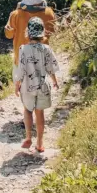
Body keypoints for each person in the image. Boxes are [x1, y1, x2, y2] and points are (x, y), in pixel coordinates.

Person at [14, 17, 60, 152]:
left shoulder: (23, 49)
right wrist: (55, 80)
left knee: (27, 110)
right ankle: (40, 142)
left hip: (28, 86)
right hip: (42, 86)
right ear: (42, 33)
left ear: (28, 33)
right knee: (40, 114)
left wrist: (17, 84)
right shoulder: (46, 49)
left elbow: (21, 68)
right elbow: (51, 67)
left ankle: (28, 137)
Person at [4, 3, 56, 69]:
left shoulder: (16, 14)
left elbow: (9, 35)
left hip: (21, 60)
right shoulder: (49, 12)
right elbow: (52, 32)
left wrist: (13, 14)